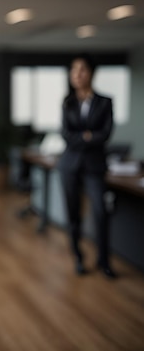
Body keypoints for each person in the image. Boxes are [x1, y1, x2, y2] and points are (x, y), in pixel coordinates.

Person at [58, 53, 115, 278]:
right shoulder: (67, 102)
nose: (77, 75)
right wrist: (89, 136)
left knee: (101, 212)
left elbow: (106, 134)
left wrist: (83, 137)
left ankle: (104, 260)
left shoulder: (105, 102)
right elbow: (66, 135)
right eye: (74, 71)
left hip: (94, 166)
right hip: (70, 165)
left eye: (81, 70)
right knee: (73, 214)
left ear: (91, 73)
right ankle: (79, 257)